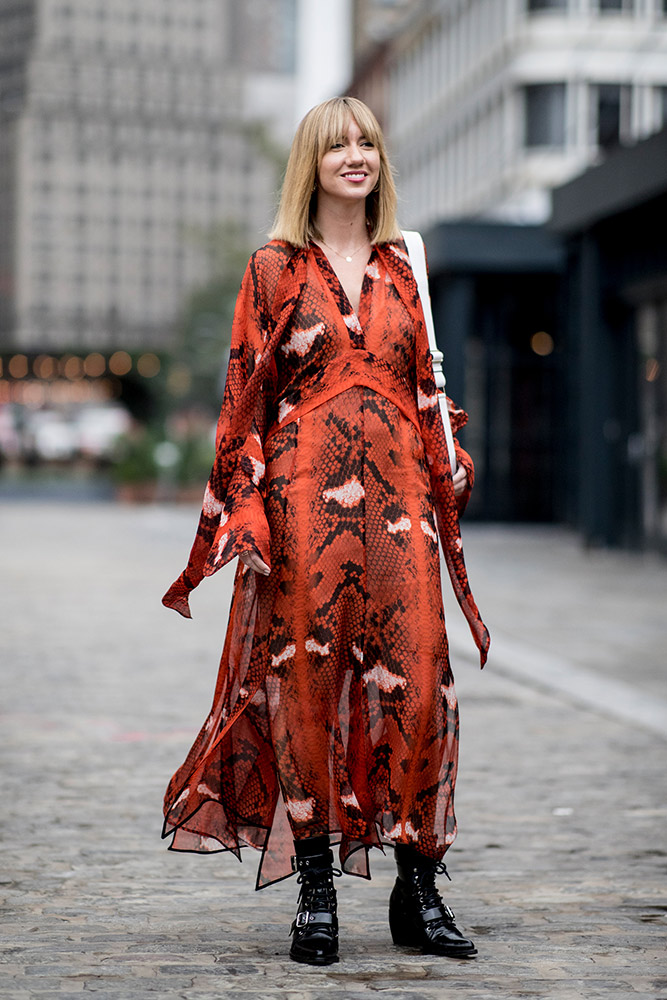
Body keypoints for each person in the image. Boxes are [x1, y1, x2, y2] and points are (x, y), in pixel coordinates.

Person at [161, 96, 490, 967]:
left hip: (402, 507)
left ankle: (417, 890)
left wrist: (450, 448)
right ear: (311, 161)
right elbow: (244, 404)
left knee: (421, 684)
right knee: (301, 691)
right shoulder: (272, 268)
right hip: (303, 507)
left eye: (368, 143)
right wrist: (246, 506)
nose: (356, 156)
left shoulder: (402, 267)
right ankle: (314, 890)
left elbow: (422, 386)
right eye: (338, 144)